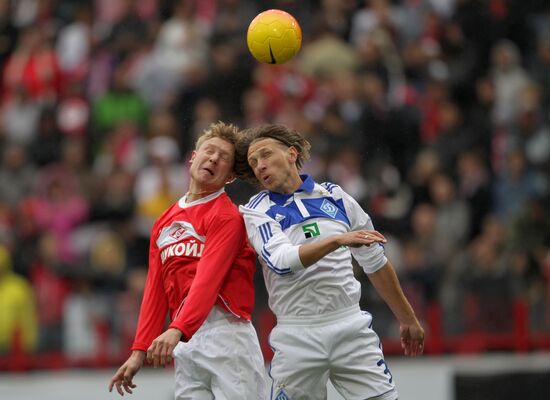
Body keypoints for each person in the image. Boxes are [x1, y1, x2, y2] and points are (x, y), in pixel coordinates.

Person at [235, 124, 424, 400]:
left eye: (265, 155)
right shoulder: (257, 210)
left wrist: (407, 318)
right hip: (297, 335)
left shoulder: (335, 196)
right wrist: (337, 241)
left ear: (291, 153)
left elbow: (374, 260)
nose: (259, 166)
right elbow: (281, 261)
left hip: (349, 325)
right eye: (253, 162)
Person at [109, 122, 266, 399]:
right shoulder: (163, 222)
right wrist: (139, 350)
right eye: (209, 151)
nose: (214, 159)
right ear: (193, 157)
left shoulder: (227, 216)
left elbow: (208, 279)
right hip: (184, 342)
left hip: (226, 337)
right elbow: (155, 289)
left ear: (229, 177)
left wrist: (177, 329)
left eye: (224, 158)